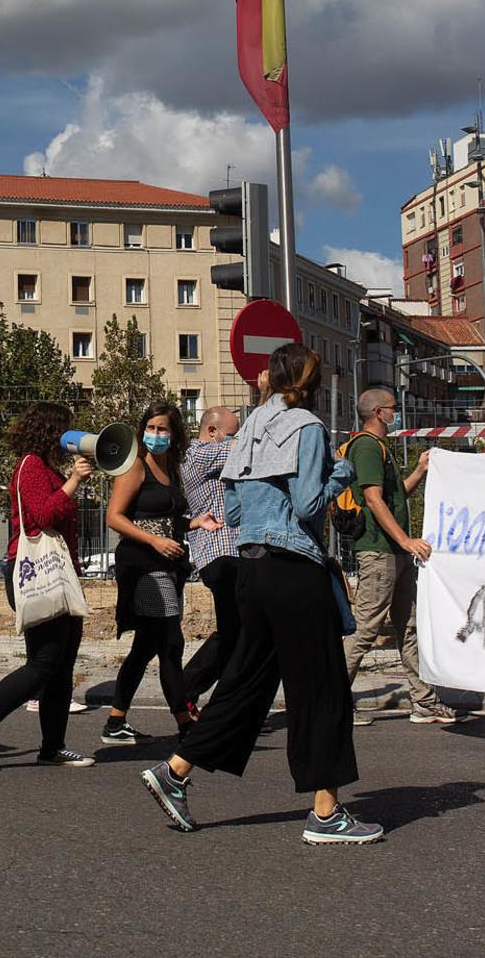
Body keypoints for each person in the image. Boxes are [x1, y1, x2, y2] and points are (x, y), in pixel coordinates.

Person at [139, 344, 378, 845]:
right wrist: (341, 471)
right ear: (310, 381)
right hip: (294, 568)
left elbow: (234, 506)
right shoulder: (308, 428)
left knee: (246, 682)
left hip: (252, 567)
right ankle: (326, 812)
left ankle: (175, 770)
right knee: (322, 688)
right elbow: (311, 501)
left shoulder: (247, 429)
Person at [0, 402, 98, 770]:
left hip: (59, 573)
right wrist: (75, 481)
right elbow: (44, 514)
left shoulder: (46, 467)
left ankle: (52, 746)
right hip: (34, 572)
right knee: (44, 662)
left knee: (61, 665)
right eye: (66, 430)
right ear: (51, 431)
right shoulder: (31, 465)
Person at [339, 388, 453, 725]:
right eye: (393, 408)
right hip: (379, 552)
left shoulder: (378, 448)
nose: (396, 413)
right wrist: (405, 541)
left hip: (393, 552)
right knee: (365, 630)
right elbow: (374, 500)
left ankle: (424, 700)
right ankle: (333, 701)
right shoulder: (366, 447)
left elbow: (393, 496)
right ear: (378, 412)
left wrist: (418, 471)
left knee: (409, 627)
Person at [99, 401, 194, 744]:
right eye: (151, 428)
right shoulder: (135, 468)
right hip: (144, 565)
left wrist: (194, 522)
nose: (156, 435)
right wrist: (154, 540)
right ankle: (184, 722)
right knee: (171, 641)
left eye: (163, 429)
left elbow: (169, 514)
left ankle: (116, 720)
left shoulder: (172, 469)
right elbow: (116, 517)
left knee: (148, 645)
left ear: (175, 433)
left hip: (168, 566)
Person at [178, 406, 240, 706]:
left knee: (239, 631)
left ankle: (222, 702)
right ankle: (186, 691)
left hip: (228, 552)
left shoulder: (211, 452)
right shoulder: (201, 453)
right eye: (232, 433)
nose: (235, 439)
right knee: (234, 632)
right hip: (220, 551)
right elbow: (248, 448)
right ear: (212, 431)